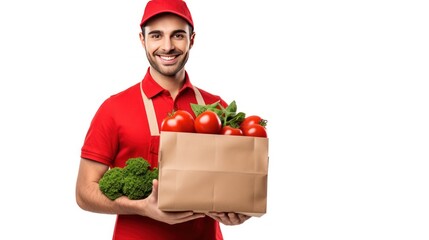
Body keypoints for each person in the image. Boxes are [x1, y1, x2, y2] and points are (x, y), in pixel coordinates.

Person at [75, 0, 250, 239]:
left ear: (192, 39)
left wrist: (238, 210)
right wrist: (140, 207)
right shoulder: (113, 108)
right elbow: (84, 192)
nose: (167, 47)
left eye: (177, 35)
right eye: (156, 35)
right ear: (142, 40)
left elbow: (233, 182)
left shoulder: (217, 109)